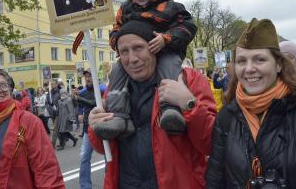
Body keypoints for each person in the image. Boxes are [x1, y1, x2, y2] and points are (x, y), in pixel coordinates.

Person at [206, 18, 296, 188]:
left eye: (259, 60)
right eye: (241, 61)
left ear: (278, 65)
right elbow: (215, 181)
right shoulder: (226, 117)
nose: (248, 68)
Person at [88, 22, 216, 188]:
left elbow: (211, 143)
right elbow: (102, 147)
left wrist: (189, 104)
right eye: (124, 52)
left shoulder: (188, 80)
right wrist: (94, 126)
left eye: (138, 48)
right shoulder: (115, 91)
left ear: (154, 48)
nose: (132, 59)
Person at [99, 0, 197, 138]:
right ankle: (119, 115)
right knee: (117, 70)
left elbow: (188, 26)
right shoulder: (126, 8)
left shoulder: (170, 7)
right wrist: (116, 41)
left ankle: (170, 109)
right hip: (138, 55)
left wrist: (166, 38)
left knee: (169, 65)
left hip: (166, 50)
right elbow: (116, 28)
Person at [72, 70, 106, 189]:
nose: (88, 78)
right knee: (84, 157)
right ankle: (85, 186)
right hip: (88, 129)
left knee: (109, 157)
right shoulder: (82, 92)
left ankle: (110, 184)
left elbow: (93, 103)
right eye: (86, 76)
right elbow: (79, 107)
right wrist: (78, 110)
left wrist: (78, 99)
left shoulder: (102, 89)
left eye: (90, 76)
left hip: (103, 127)